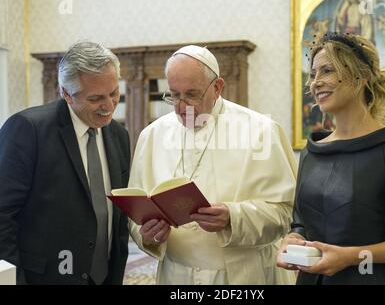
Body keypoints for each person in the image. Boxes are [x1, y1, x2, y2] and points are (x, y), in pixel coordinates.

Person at [128, 45, 298, 284]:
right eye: (174, 95)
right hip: (176, 276)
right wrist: (147, 234)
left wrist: (233, 217)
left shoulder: (261, 131)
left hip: (242, 276)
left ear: (217, 87)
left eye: (192, 94)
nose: (181, 106)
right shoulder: (152, 135)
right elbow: (137, 212)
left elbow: (286, 213)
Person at [277, 32, 385, 284]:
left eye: (327, 70)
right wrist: (293, 238)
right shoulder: (312, 150)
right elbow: (301, 223)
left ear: (361, 77)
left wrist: (351, 256)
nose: (315, 82)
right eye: (313, 74)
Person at [0, 41, 131, 284]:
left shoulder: (119, 135)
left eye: (114, 93)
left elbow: (118, 217)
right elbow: (3, 216)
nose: (110, 105)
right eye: (96, 98)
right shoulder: (28, 130)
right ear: (67, 93)